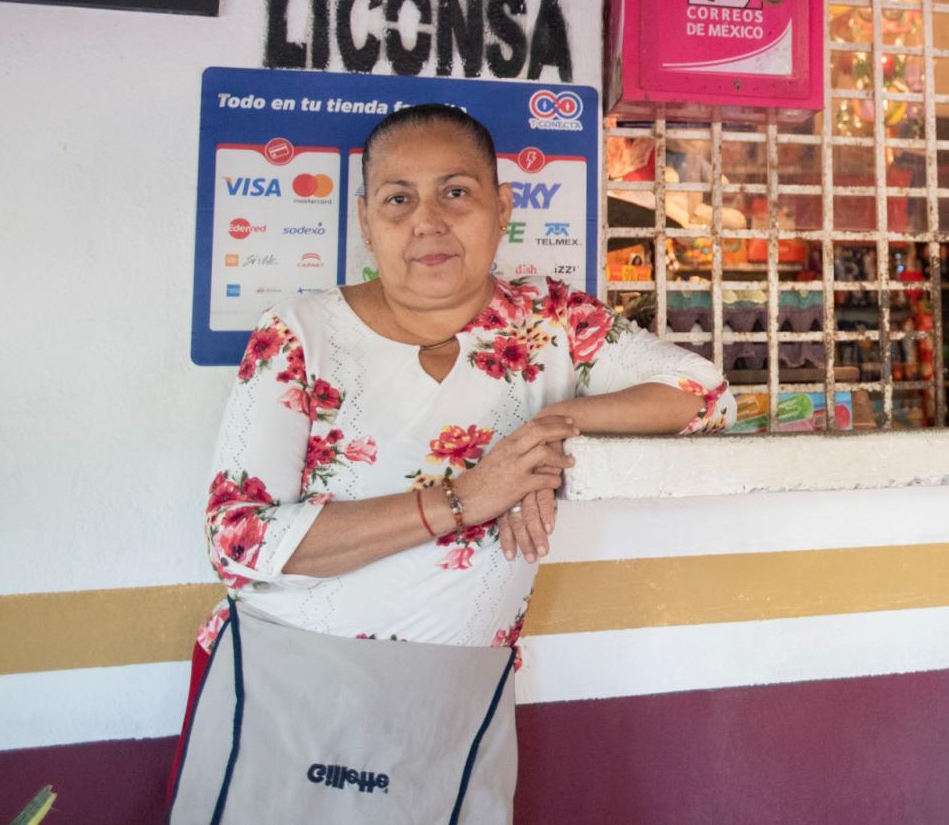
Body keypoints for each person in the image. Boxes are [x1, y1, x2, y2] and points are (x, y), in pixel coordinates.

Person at [182, 103, 731, 806]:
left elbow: (705, 394)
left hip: (455, 700)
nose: (428, 220)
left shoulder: (551, 323)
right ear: (365, 219)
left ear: (503, 207)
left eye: (456, 191)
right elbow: (238, 537)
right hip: (284, 683)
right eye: (398, 198)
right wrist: (468, 496)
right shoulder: (301, 333)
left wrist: (549, 428)